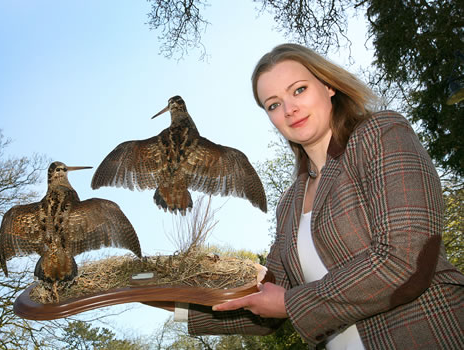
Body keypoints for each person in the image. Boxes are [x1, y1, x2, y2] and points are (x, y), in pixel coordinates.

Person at [153, 44, 464, 350]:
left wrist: (290, 302)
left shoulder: (380, 133)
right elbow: (265, 300)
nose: (289, 109)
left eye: (298, 90)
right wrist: (166, 297)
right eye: (273, 104)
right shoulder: (288, 205)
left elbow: (406, 261)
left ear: (328, 86)